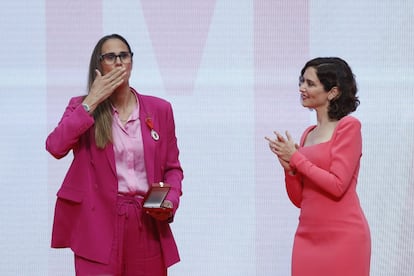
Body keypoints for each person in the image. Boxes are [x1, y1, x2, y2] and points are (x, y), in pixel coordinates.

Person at [46, 33, 183, 276]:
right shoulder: (82, 107)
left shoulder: (160, 109)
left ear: (131, 62)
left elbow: (172, 168)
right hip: (97, 225)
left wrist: (169, 200)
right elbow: (56, 146)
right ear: (98, 65)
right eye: (110, 56)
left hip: (145, 222)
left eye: (124, 56)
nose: (119, 62)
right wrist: (92, 101)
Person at [265, 57, 371, 275]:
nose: (302, 88)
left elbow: (337, 185)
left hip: (344, 237)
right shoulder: (307, 134)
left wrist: (297, 159)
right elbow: (300, 200)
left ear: (332, 92)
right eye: (302, 81)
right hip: (307, 237)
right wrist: (289, 170)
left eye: (310, 84)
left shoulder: (348, 127)